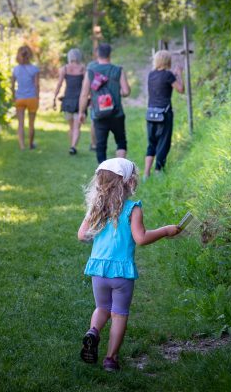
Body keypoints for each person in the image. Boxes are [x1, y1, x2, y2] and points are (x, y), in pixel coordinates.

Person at [77, 158, 181, 371]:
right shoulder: (133, 209)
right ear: (128, 182)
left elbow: (82, 236)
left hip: (98, 268)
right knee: (119, 313)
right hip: (121, 272)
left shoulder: (95, 208)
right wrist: (165, 231)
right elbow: (141, 238)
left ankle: (93, 332)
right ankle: (110, 359)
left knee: (102, 308)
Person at [79, 43, 131, 164]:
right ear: (109, 54)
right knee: (121, 142)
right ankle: (120, 172)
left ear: (97, 54)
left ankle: (103, 179)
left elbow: (83, 94)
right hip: (117, 114)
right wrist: (118, 93)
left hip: (99, 114)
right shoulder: (118, 70)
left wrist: (82, 112)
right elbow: (126, 91)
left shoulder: (90, 72)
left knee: (101, 145)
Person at [144, 50, 184, 178]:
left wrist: (174, 74)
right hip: (164, 114)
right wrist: (179, 75)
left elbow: (163, 79)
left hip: (150, 113)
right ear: (168, 61)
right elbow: (180, 89)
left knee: (152, 143)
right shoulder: (168, 75)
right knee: (163, 142)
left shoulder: (151, 74)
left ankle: (146, 174)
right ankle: (158, 172)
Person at [53, 48, 85, 155]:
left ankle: (72, 146)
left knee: (71, 126)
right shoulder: (82, 69)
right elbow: (87, 86)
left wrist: (54, 98)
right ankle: (73, 146)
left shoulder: (65, 69)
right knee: (77, 126)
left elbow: (59, 84)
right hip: (80, 101)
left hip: (67, 100)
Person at [11, 45, 40, 150]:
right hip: (32, 98)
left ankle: (22, 146)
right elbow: (36, 85)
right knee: (31, 124)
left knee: (21, 124)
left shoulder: (15, 69)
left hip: (20, 98)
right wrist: (37, 97)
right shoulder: (34, 69)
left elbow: (12, 85)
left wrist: (13, 96)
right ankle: (31, 144)